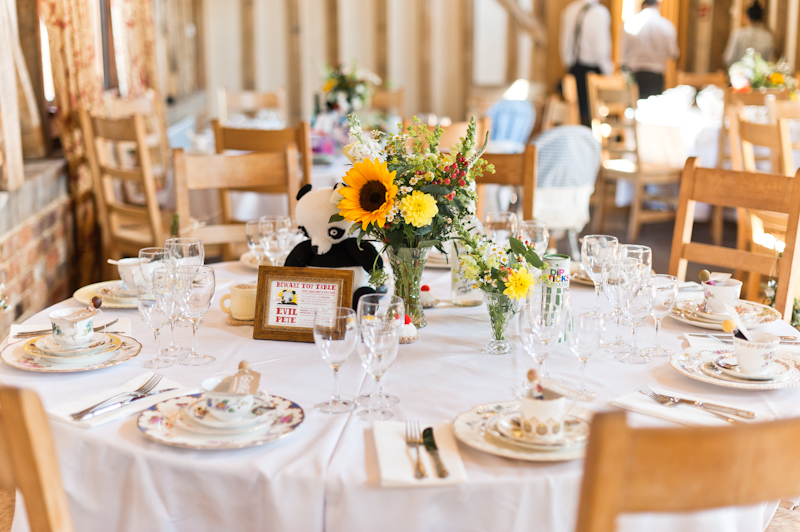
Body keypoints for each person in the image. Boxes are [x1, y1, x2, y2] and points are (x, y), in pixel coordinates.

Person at [560, 0, 614, 126]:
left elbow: (564, 46)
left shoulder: (569, 10)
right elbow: (601, 50)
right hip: (593, 72)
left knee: (576, 116)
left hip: (573, 69)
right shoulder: (599, 12)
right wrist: (608, 72)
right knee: (593, 118)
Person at [621, 0, 679, 99]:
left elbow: (623, 53)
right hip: (655, 75)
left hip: (635, 74)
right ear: (657, 6)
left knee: (634, 105)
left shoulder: (630, 23)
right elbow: (673, 54)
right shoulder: (666, 25)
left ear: (643, 6)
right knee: (654, 105)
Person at [723, 1, 774, 66]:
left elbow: (729, 58)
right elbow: (769, 60)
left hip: (740, 71)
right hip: (760, 71)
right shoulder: (768, 37)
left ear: (747, 17)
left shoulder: (739, 34)